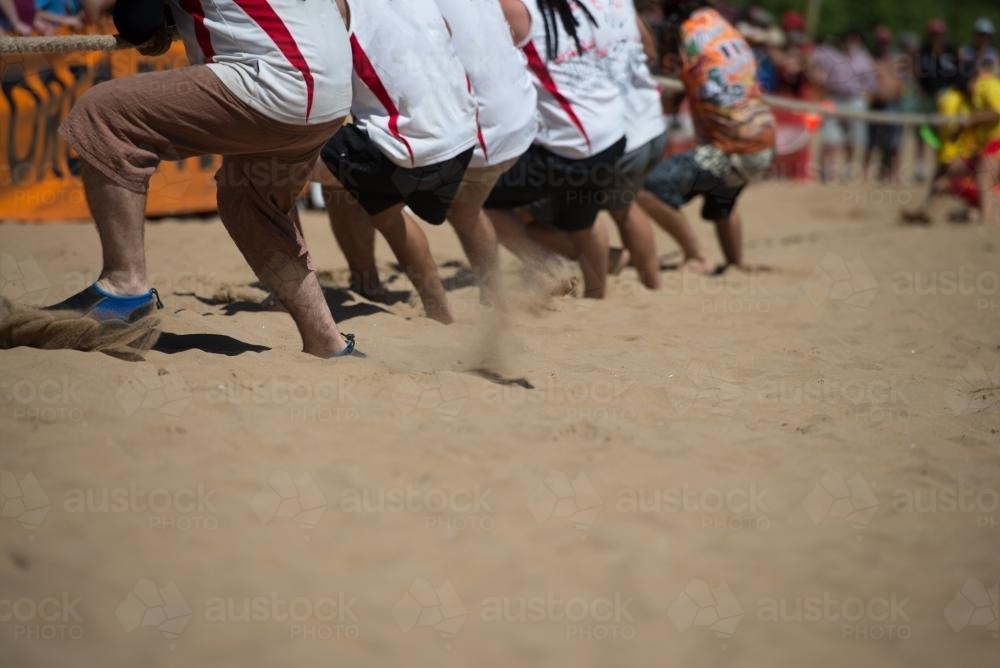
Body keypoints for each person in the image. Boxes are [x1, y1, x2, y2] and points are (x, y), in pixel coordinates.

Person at [45, 0, 361, 358]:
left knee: (103, 115)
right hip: (331, 90)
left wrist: (159, 21)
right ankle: (327, 342)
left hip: (278, 80)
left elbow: (137, 21)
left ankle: (124, 286)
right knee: (248, 201)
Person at [313, 0, 479, 324]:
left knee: (277, 161)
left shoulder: (337, 7)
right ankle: (439, 312)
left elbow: (320, 73)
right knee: (363, 193)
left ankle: (282, 293)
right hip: (461, 133)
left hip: (407, 143)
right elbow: (446, 34)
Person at [484, 0, 627, 299]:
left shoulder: (515, 8)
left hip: (575, 144)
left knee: (483, 202)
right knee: (585, 218)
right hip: (611, 130)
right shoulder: (577, 5)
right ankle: (596, 295)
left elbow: (474, 53)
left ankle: (546, 266)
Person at [637, 0, 775, 270]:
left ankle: (695, 255)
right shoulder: (722, 25)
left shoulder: (683, 33)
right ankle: (736, 264)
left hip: (731, 148)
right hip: (763, 141)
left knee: (644, 190)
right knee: (723, 193)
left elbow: (669, 89)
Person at [808, 28, 876, 182]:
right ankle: (825, 171)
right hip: (833, 99)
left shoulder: (864, 58)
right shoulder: (828, 53)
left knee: (854, 138)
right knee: (830, 138)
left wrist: (865, 101)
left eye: (853, 39)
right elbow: (809, 60)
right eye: (847, 39)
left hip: (855, 101)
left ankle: (849, 170)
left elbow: (870, 83)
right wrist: (816, 75)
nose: (850, 42)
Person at [866, 26, 904, 182]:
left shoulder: (895, 59)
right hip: (874, 105)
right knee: (871, 141)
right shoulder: (869, 58)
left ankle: (891, 174)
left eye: (885, 41)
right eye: (880, 41)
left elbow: (899, 84)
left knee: (892, 143)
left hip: (891, 105)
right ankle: (865, 172)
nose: (882, 44)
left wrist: (887, 94)